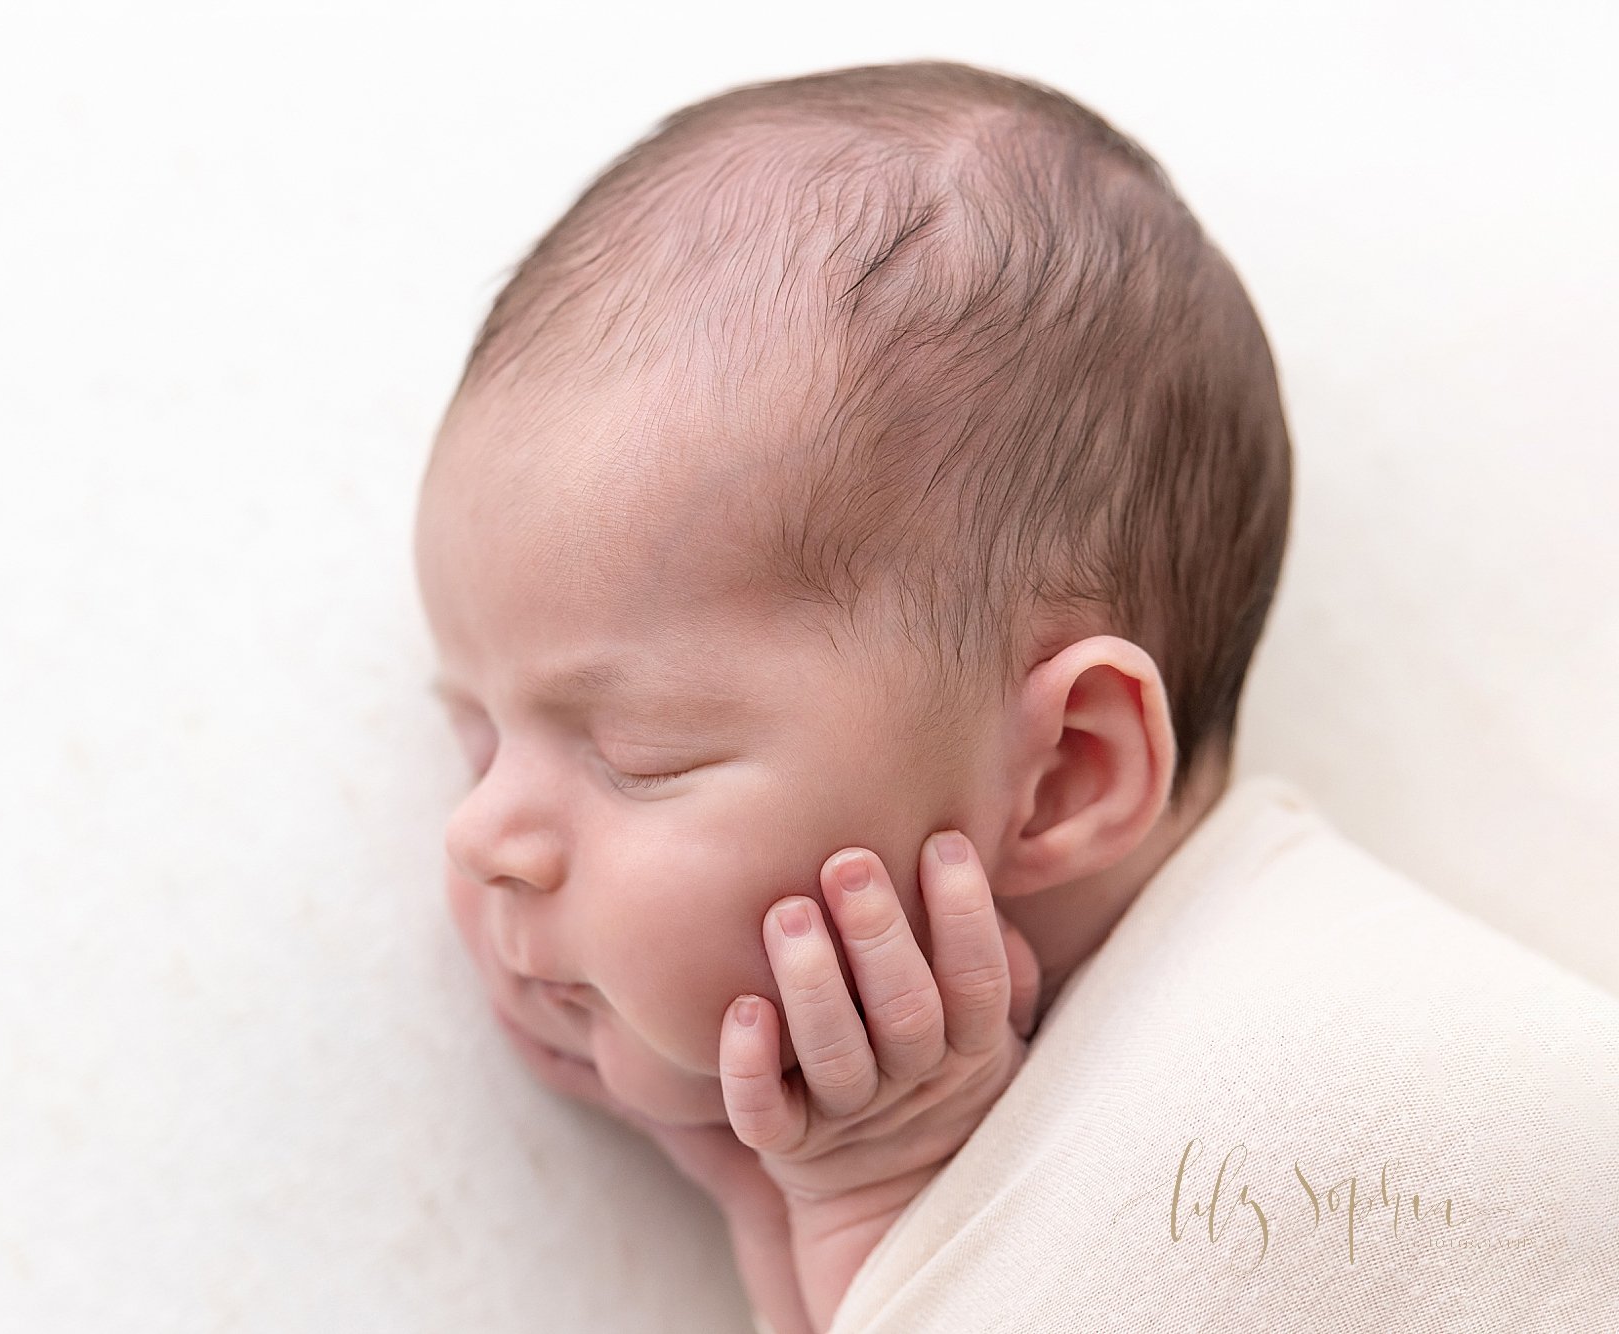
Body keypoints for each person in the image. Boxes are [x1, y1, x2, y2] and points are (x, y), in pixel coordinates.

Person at [412, 59, 1619, 1333]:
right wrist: (793, 1205)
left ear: (1061, 773)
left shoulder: (1323, 1085)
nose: (479, 832)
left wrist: (869, 1210)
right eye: (475, 739)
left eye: (637, 754)